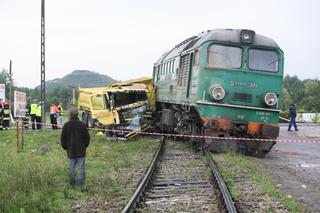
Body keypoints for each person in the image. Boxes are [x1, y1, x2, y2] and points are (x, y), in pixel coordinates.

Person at [60, 107, 90, 186]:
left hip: (71, 151)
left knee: (71, 169)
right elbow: (87, 138)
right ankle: (79, 185)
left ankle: (72, 184)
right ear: (77, 114)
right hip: (81, 150)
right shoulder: (82, 125)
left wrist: (66, 147)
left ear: (70, 115)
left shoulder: (66, 125)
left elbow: (63, 139)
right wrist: (84, 146)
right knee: (81, 169)